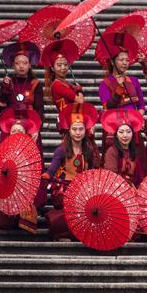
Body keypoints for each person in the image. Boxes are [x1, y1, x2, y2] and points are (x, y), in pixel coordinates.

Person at [0, 109, 44, 231]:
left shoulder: (31, 151)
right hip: (9, 192)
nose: (16, 133)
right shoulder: (5, 150)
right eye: (14, 131)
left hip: (25, 193)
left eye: (20, 131)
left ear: (25, 133)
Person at [45, 102, 101, 241]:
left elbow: (96, 168)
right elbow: (52, 170)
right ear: (69, 130)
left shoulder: (89, 149)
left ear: (85, 130)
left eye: (81, 129)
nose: (77, 132)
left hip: (84, 189)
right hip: (65, 188)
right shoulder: (62, 149)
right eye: (74, 129)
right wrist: (45, 176)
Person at [0, 41, 44, 156]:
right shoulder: (8, 82)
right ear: (13, 65)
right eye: (18, 63)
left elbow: (40, 109)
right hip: (11, 125)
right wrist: (4, 90)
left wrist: (37, 128)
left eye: (25, 63)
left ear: (30, 64)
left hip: (30, 124)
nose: (21, 66)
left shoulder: (35, 83)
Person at [101, 108, 146, 187]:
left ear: (132, 134)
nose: (125, 135)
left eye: (128, 132)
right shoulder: (112, 151)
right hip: (117, 190)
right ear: (116, 135)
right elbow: (111, 177)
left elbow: (139, 176)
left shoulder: (134, 151)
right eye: (121, 132)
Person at [41, 39, 83, 116]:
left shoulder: (66, 83)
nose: (63, 67)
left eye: (65, 64)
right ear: (53, 68)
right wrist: (80, 91)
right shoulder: (57, 85)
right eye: (59, 65)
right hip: (67, 119)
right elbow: (80, 101)